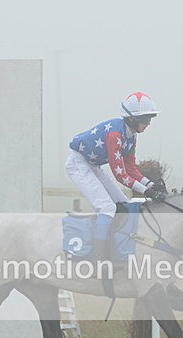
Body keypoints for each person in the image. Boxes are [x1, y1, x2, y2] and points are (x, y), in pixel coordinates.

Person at [65, 92, 166, 260]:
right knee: (107, 208)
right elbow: (120, 175)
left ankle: (117, 247)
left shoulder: (131, 136)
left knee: (123, 204)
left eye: (150, 119)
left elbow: (131, 169)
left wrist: (150, 185)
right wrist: (145, 191)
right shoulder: (115, 135)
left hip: (92, 165)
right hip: (78, 164)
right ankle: (99, 257)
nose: (148, 124)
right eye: (145, 120)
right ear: (131, 119)